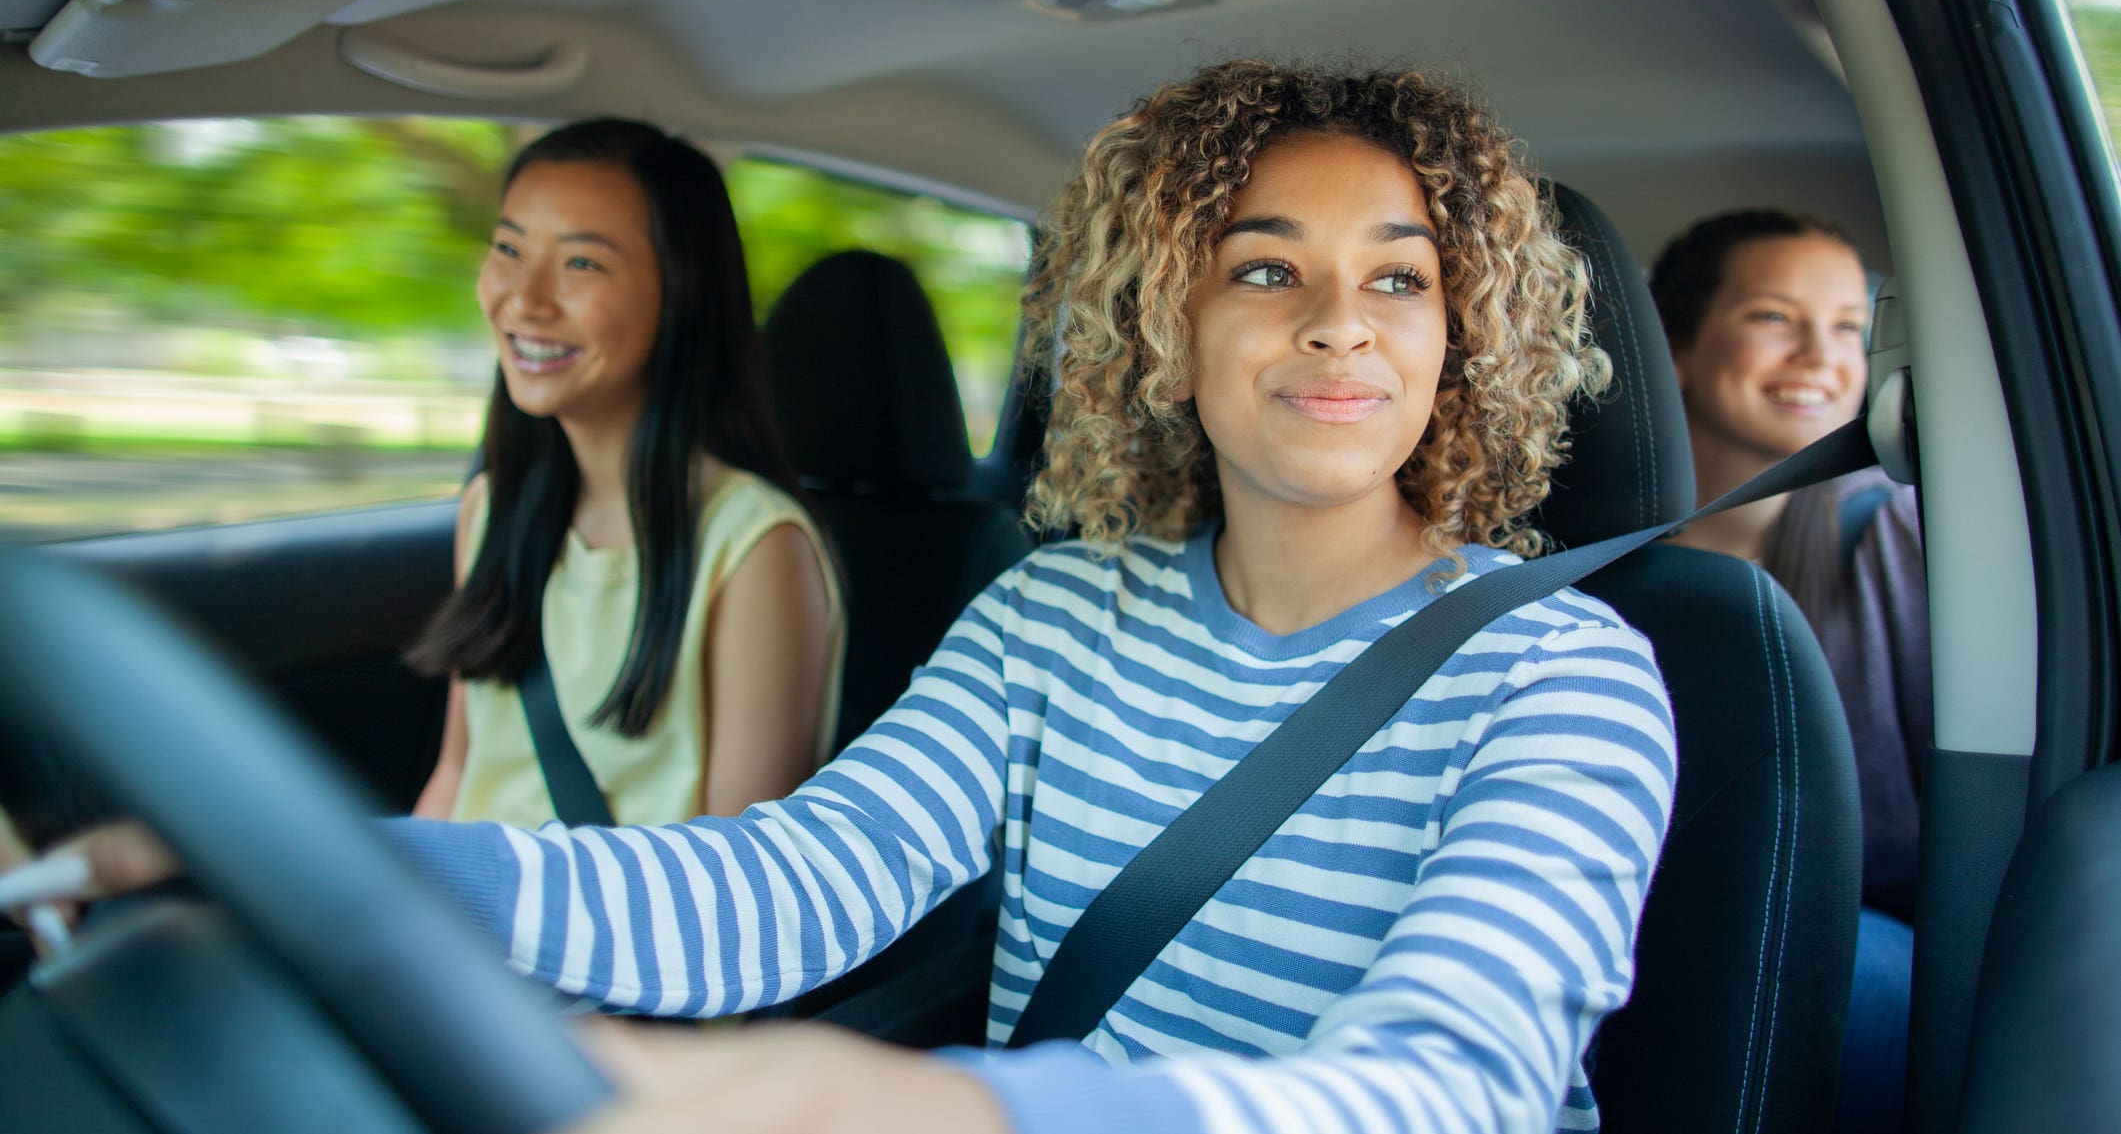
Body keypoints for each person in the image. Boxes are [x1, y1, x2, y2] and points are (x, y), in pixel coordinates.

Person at [7, 64, 1678, 1134]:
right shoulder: (1055, 619)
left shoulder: (1562, 676)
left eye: (1399, 274)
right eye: (1264, 266)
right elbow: (784, 879)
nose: (1339, 322)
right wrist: (316, 862)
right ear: (1162, 320)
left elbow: (1454, 1084)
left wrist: (933, 1108)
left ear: (1466, 336)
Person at [407, 119, 845, 826]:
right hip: (460, 914)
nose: (523, 299)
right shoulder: (492, 507)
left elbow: (736, 877)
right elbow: (458, 775)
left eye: (581, 264)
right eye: (508, 249)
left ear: (682, 293)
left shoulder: (754, 547)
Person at [1650, 208, 1926, 1133]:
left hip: (1840, 934)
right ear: (1676, 348)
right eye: (1773, 316)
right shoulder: (1565, 553)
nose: (1821, 353)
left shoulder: (1897, 537)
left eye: (1849, 325)